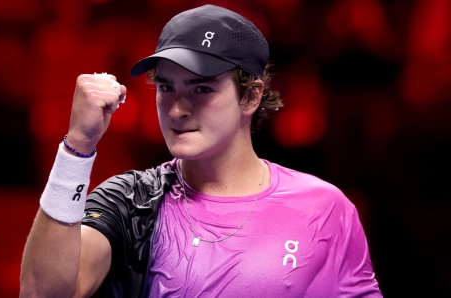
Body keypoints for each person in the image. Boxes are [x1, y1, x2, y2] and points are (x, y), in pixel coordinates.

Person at [20, 4, 382, 298]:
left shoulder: (323, 207)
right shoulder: (130, 201)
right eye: (166, 87)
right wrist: (78, 149)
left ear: (252, 96)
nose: (177, 109)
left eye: (202, 89)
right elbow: (42, 294)